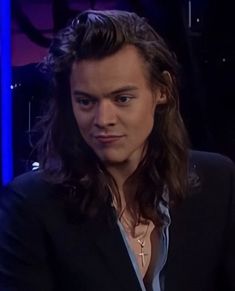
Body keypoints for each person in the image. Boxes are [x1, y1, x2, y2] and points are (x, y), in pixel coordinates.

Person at [0, 10, 234, 291]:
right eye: (86, 101)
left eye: (122, 98)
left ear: (162, 91)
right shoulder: (30, 205)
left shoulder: (218, 182)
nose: (103, 119)